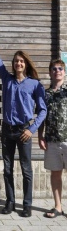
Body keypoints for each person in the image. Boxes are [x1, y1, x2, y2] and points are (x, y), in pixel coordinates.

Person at [0, 30, 47, 217]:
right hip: (7, 130)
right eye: (16, 61)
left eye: (21, 61)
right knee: (8, 168)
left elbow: (43, 110)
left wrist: (32, 129)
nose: (18, 63)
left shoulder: (35, 84)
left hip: (24, 131)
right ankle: (10, 202)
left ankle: (27, 204)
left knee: (26, 169)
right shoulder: (7, 79)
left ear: (25, 64)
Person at [38, 59, 67, 218]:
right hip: (51, 140)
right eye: (54, 69)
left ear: (64, 72)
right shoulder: (45, 94)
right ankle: (58, 207)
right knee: (55, 174)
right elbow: (42, 117)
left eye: (60, 68)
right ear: (50, 72)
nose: (57, 71)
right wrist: (40, 135)